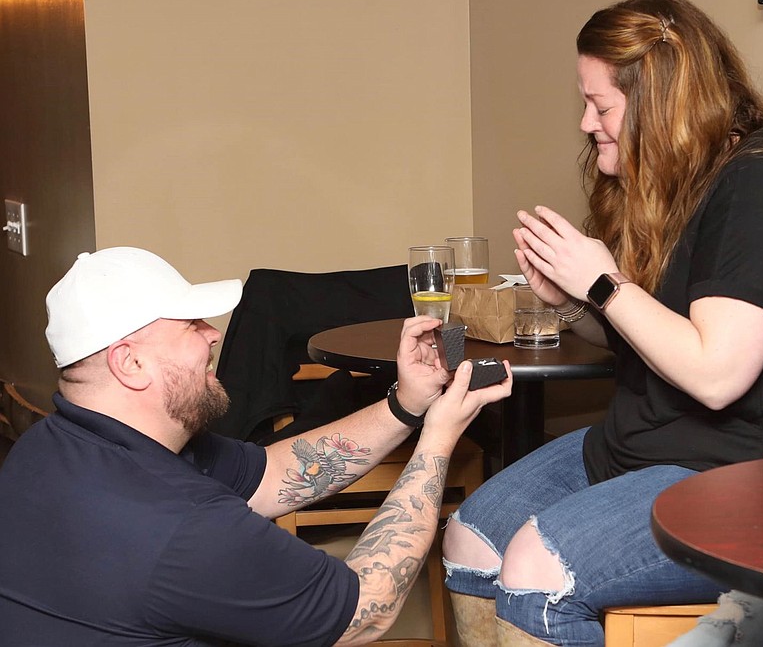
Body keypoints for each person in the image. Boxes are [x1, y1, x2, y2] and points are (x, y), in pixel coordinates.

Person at [441, 0, 763, 647]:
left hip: (736, 476)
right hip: (637, 448)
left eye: (600, 104)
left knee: (537, 571)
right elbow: (643, 333)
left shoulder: (762, 185)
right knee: (471, 537)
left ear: (663, 105)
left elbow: (717, 372)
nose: (584, 122)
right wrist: (574, 299)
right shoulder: (661, 184)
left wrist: (602, 283)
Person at [0, 246, 512, 646]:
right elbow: (365, 612)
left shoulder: (44, 447)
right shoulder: (183, 527)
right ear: (129, 363)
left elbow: (272, 473)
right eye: (192, 325)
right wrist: (439, 438)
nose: (213, 336)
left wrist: (406, 406)